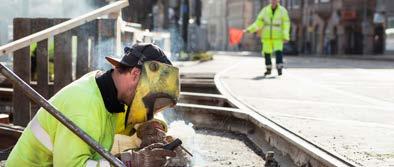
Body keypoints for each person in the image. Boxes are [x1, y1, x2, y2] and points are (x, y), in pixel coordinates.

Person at [6, 43, 180, 167]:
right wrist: (131, 161)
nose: (148, 109)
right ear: (135, 74)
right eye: (151, 98)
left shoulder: (108, 90)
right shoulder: (84, 106)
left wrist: (153, 125)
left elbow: (134, 115)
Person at [244, 0, 290, 76]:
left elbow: (286, 24)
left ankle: (279, 68)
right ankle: (268, 68)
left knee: (278, 52)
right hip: (267, 36)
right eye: (272, 0)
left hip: (278, 36)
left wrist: (286, 36)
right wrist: (250, 29)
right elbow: (258, 22)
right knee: (267, 53)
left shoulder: (282, 11)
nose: (274, 1)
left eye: (275, 0)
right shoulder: (265, 10)